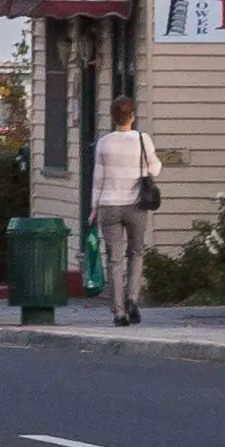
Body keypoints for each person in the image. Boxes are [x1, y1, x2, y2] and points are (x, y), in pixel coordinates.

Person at [91, 98, 161, 326]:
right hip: (136, 206)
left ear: (113, 117)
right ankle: (132, 297)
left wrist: (94, 207)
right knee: (136, 253)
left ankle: (119, 312)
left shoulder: (104, 143)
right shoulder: (143, 139)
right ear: (132, 116)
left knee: (115, 259)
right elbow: (156, 167)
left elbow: (98, 178)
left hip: (109, 206)